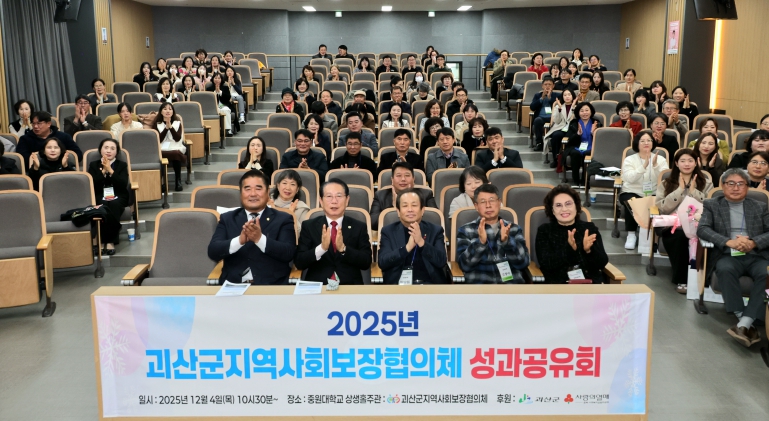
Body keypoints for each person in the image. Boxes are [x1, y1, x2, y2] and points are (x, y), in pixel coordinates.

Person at [698, 168, 769, 347]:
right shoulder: (712, 204)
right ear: (723, 186)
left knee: (766, 274)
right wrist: (728, 242)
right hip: (727, 253)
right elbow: (703, 229)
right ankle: (746, 319)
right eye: (731, 183)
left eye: (740, 184)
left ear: (747, 187)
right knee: (725, 269)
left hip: (756, 254)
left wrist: (753, 242)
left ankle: (743, 325)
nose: (736, 188)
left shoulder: (760, 206)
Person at [208, 170, 297, 285]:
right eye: (247, 189)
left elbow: (288, 253)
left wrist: (260, 239)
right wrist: (239, 241)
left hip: (271, 286)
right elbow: (213, 251)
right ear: (241, 193)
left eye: (258, 188)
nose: (253, 194)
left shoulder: (283, 219)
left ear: (267, 192)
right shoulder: (228, 218)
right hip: (234, 285)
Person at [656, 149, 713, 294]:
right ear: (676, 163)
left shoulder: (706, 183)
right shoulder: (666, 183)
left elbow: (711, 206)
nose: (687, 164)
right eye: (682, 161)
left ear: (696, 163)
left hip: (698, 223)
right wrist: (680, 190)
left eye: (690, 161)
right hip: (674, 225)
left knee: (707, 238)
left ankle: (703, 280)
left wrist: (694, 192)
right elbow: (662, 207)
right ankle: (682, 279)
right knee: (680, 237)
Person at [295, 179, 372, 284]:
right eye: (329, 196)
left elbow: (366, 262)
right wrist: (322, 248)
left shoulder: (359, 227)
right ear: (321, 201)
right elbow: (299, 262)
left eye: (339, 196)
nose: (334, 201)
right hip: (318, 285)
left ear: (347, 200)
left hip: (349, 285)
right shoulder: (309, 226)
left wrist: (344, 249)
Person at [456, 183, 529, 284]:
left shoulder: (513, 229)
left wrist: (507, 242)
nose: (488, 205)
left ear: (499, 202)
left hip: (510, 287)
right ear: (476, 206)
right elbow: (465, 265)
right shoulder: (466, 230)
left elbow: (523, 263)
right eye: (483, 202)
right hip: (479, 286)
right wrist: (480, 243)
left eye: (492, 200)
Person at [535, 184, 609, 284]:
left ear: (576, 206)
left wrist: (588, 251)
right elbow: (546, 263)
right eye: (558, 205)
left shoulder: (589, 229)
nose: (564, 209)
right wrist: (569, 250)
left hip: (590, 285)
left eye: (568, 204)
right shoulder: (545, 231)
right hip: (559, 286)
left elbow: (602, 262)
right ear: (552, 210)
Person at [378, 188, 448, 284]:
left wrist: (421, 242)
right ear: (398, 211)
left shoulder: (435, 230)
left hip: (430, 285)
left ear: (422, 210)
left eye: (414, 205)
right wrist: (406, 248)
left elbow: (441, 261)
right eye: (405, 206)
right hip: (398, 286)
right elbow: (383, 262)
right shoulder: (388, 231)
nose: (410, 210)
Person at [620, 132, 668, 249]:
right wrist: (644, 166)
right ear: (637, 143)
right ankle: (631, 234)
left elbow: (665, 180)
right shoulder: (630, 159)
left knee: (659, 202)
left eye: (649, 140)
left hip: (654, 192)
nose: (646, 143)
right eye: (642, 141)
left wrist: (655, 166)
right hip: (632, 191)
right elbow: (629, 178)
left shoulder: (660, 159)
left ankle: (654, 238)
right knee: (633, 201)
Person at [86, 138, 128, 255]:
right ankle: (105, 238)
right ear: (100, 150)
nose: (109, 151)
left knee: (114, 204)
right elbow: (92, 184)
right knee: (103, 206)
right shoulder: (93, 165)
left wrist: (110, 170)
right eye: (106, 148)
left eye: (112, 148)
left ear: (116, 152)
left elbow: (123, 184)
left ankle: (109, 241)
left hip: (118, 194)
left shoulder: (121, 165)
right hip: (99, 194)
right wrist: (103, 171)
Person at [370, 162, 437, 230]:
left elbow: (435, 219)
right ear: (392, 179)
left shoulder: (426, 194)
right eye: (398, 176)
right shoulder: (380, 195)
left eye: (407, 175)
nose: (403, 179)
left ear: (413, 179)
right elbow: (373, 223)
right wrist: (393, 208)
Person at [18, 111, 82, 164]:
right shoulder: (25, 139)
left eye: (39, 123)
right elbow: (23, 160)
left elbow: (77, 155)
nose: (35, 126)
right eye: (33, 123)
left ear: (48, 124)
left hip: (62, 169)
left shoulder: (64, 137)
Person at [563, 102, 602, 185]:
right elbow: (569, 140)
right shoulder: (574, 123)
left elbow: (601, 140)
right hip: (576, 146)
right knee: (575, 153)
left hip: (592, 146)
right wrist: (578, 134)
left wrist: (594, 133)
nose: (585, 113)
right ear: (578, 113)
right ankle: (576, 180)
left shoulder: (596, 122)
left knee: (587, 153)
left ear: (591, 111)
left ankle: (585, 180)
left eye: (587, 110)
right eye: (582, 111)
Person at [152, 103, 186, 191]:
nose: (168, 111)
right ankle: (163, 182)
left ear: (173, 112)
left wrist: (170, 127)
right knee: (160, 155)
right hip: (161, 147)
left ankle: (178, 181)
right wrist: (166, 128)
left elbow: (177, 138)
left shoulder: (178, 123)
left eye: (170, 109)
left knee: (176, 153)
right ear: (161, 112)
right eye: (165, 109)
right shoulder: (156, 124)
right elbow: (158, 140)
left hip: (175, 146)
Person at [268, 169, 311, 237]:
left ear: (297, 189)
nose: (288, 188)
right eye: (284, 183)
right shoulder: (267, 201)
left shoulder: (302, 208)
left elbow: (301, 236)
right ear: (278, 186)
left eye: (292, 184)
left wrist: (291, 215)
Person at [544, 89, 576, 167]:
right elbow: (557, 121)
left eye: (569, 95)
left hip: (572, 129)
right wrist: (560, 109)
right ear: (562, 97)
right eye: (565, 95)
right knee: (556, 135)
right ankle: (555, 159)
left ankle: (567, 160)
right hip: (560, 127)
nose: (567, 97)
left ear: (573, 96)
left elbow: (574, 120)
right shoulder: (558, 106)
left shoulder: (577, 107)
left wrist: (573, 108)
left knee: (573, 137)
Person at [530, 77, 560, 151]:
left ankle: (553, 144)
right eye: (545, 84)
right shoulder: (537, 95)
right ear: (542, 86)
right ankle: (539, 143)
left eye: (549, 84)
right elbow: (532, 107)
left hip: (553, 117)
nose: (547, 86)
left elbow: (560, 107)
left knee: (557, 122)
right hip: (541, 117)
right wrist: (542, 98)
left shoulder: (557, 95)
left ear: (553, 86)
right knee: (537, 120)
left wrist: (550, 98)